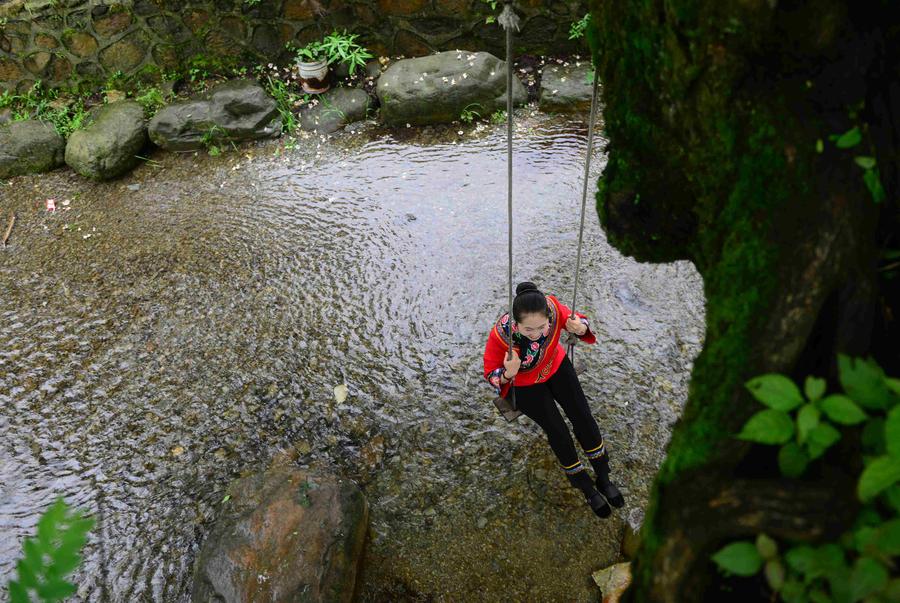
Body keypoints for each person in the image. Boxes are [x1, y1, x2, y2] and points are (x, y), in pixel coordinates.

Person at [483, 281, 625, 518]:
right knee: (557, 430)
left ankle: (603, 475)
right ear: (516, 323)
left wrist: (579, 327)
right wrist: (508, 373)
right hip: (525, 383)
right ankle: (585, 486)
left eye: (542, 327)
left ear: (549, 316)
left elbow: (579, 319)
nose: (537, 333)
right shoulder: (501, 335)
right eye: (529, 330)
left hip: (555, 364)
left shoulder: (553, 307)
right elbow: (490, 373)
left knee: (582, 415)